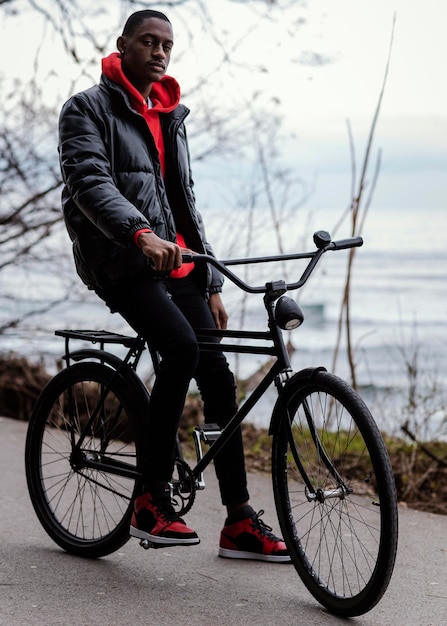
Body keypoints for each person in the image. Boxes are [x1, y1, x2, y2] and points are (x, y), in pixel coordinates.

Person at [58, 9, 290, 563]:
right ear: (123, 45)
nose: (160, 52)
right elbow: (89, 181)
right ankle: (148, 498)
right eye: (148, 41)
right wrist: (138, 235)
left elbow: (183, 203)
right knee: (181, 347)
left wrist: (209, 280)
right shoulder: (86, 109)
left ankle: (238, 522)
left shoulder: (170, 115)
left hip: (177, 263)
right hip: (119, 258)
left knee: (218, 376)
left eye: (167, 44)